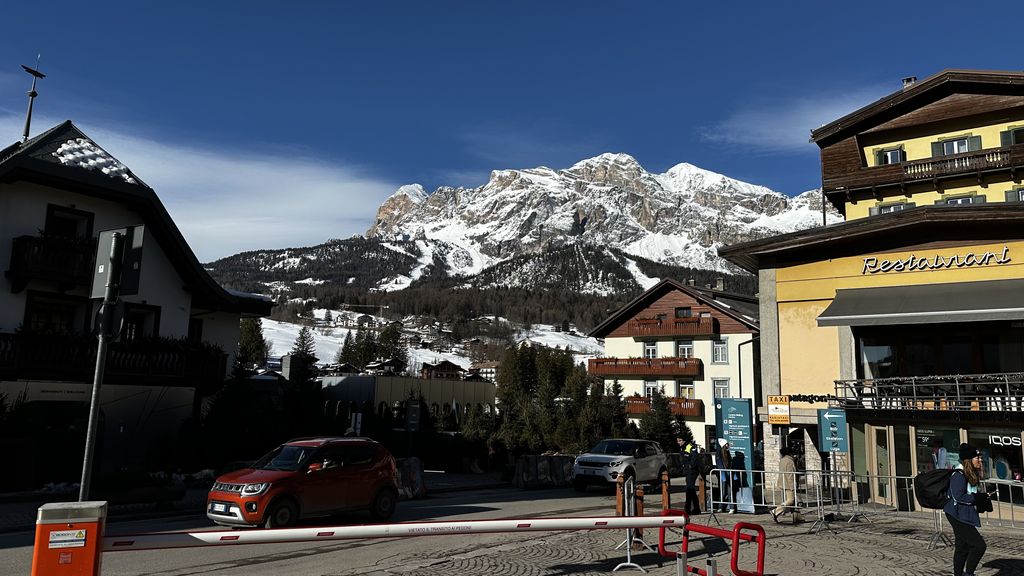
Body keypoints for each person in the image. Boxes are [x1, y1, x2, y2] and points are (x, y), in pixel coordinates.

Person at [944, 443, 996, 576]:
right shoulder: (958, 475)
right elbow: (958, 496)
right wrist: (978, 497)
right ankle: (969, 574)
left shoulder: (969, 474)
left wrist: (983, 498)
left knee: (962, 548)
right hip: (957, 515)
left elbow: (969, 495)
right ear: (969, 460)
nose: (980, 460)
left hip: (963, 514)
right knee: (979, 546)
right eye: (977, 457)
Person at [771, 446, 802, 524]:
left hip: (783, 483)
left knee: (794, 501)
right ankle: (776, 511)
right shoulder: (790, 461)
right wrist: (793, 486)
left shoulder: (783, 460)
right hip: (788, 484)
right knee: (790, 500)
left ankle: (797, 517)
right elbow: (790, 475)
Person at [677, 436, 701, 515]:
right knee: (691, 490)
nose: (678, 442)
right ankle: (696, 508)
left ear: (684, 440)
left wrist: (691, 466)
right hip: (687, 471)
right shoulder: (682, 448)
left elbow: (695, 457)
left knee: (689, 489)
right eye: (677, 441)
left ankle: (688, 509)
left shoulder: (690, 446)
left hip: (692, 471)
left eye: (680, 440)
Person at [717, 439, 737, 513]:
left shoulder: (727, 453)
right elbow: (719, 463)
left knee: (730, 491)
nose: (728, 445)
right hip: (723, 473)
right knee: (723, 491)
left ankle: (732, 507)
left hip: (728, 473)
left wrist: (732, 472)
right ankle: (720, 507)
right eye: (726, 444)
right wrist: (723, 472)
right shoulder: (719, 453)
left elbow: (730, 463)